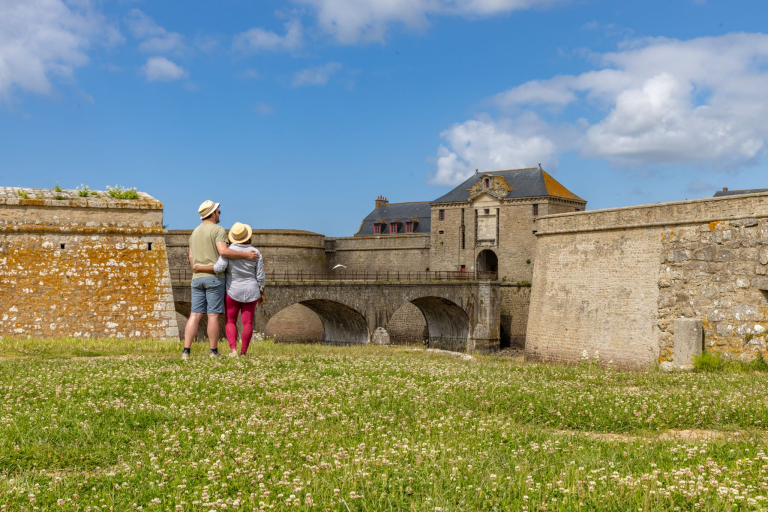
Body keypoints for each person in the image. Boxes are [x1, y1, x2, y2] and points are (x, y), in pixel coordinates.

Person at [183, 201, 258, 359]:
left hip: (196, 278)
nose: (220, 214)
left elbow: (191, 257)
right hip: (214, 279)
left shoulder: (194, 232)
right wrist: (246, 255)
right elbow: (223, 251)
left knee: (194, 315)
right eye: (218, 212)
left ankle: (186, 351)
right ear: (212, 213)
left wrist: (196, 268)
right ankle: (213, 351)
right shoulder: (218, 230)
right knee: (213, 315)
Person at [194, 222, 265, 357]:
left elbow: (219, 268)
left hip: (232, 291)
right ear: (247, 236)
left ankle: (233, 350)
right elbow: (260, 276)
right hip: (251, 290)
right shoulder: (255, 252)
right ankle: (244, 353)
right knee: (248, 322)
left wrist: (200, 268)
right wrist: (261, 292)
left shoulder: (228, 251)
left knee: (230, 321)